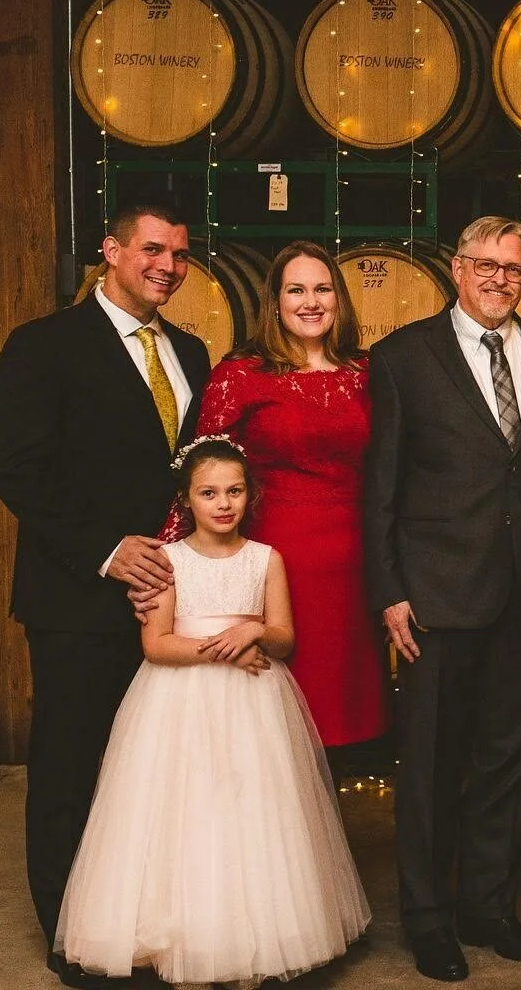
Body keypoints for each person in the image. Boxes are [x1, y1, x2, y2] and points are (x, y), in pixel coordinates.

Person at [363, 214, 521, 983]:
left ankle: (487, 909)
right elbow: (382, 486)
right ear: (458, 269)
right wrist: (389, 591)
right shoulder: (403, 357)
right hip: (437, 594)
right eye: (486, 266)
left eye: (513, 268)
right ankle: (429, 919)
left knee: (510, 761)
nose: (500, 279)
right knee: (430, 767)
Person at [0, 202, 213, 990]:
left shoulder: (191, 351)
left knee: (153, 769)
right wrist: (107, 551)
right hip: (78, 599)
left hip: (170, 601)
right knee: (70, 767)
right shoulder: (44, 345)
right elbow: (17, 468)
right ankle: (72, 938)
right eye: (152, 249)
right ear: (111, 251)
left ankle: (141, 920)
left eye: (179, 254)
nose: (167, 266)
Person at [54, 438, 370, 984]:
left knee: (251, 805)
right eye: (208, 493)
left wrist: (254, 632)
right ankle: (182, 933)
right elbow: (156, 645)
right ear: (186, 498)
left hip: (254, 703)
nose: (223, 503)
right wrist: (225, 650)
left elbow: (284, 637)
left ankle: (256, 933)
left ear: (250, 495)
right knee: (184, 805)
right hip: (178, 702)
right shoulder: (168, 561)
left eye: (234, 491)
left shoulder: (265, 559)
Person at [152, 240, 387, 752]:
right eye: (296, 290)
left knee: (341, 715)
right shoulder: (239, 375)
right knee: (269, 722)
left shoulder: (369, 372)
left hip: (355, 565)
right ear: (275, 302)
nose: (311, 302)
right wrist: (164, 568)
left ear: (340, 298)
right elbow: (198, 475)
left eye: (323, 289)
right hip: (274, 562)